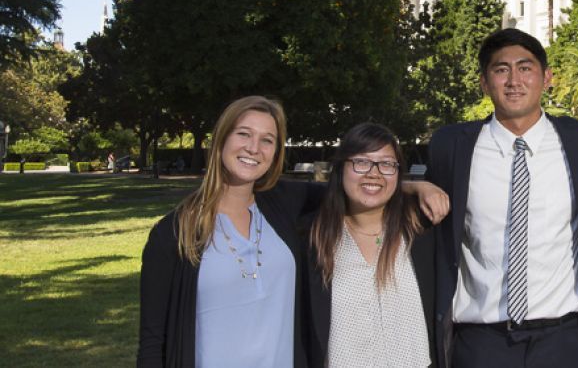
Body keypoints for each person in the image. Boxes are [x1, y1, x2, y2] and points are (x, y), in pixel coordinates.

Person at [137, 96, 448, 367]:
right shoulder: (174, 234)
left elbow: (354, 187)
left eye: (267, 140)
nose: (253, 148)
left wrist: (414, 185)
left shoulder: (282, 206)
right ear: (220, 140)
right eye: (243, 134)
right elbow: (152, 341)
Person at [426, 28, 578, 368]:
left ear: (547, 78)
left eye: (525, 68)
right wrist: (413, 187)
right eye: (501, 70)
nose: (514, 80)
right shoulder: (452, 146)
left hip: (567, 341)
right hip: (482, 342)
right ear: (484, 83)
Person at [303, 123, 436, 367]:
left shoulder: (421, 231)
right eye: (361, 162)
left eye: (386, 164)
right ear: (342, 167)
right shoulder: (313, 237)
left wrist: (419, 186)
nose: (374, 173)